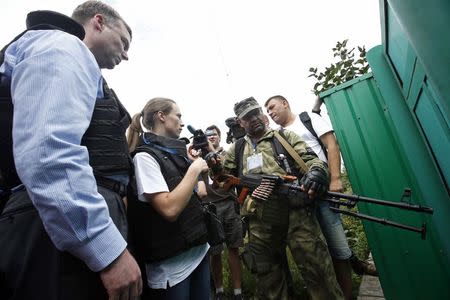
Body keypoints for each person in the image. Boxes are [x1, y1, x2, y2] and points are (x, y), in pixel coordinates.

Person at [0, 2, 142, 299]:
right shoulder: (62, 46)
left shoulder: (69, 59)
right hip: (56, 228)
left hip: (61, 220)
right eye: (124, 42)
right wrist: (106, 249)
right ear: (99, 22)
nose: (127, 55)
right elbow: (48, 154)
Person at [212, 97, 344, 300]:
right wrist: (212, 163)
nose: (254, 118)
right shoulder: (237, 149)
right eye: (248, 117)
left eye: (256, 113)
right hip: (259, 222)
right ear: (240, 122)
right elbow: (222, 180)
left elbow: (313, 160)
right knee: (268, 278)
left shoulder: (284, 137)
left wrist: (317, 174)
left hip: (297, 215)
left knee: (317, 270)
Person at [265, 95, 378, 299]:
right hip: (300, 197)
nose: (270, 113)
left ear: (285, 103)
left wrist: (335, 178)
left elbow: (331, 146)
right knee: (317, 248)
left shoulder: (307, 119)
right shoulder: (277, 136)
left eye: (272, 107)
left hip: (323, 191)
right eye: (267, 111)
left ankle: (346, 293)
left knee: (337, 246)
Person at [127, 98, 211, 299]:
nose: (182, 122)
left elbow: (201, 192)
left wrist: (202, 170)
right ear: (161, 116)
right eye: (178, 115)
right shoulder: (144, 158)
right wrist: (194, 169)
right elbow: (169, 209)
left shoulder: (176, 153)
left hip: (198, 251)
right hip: (172, 267)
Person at [204, 125, 243, 300]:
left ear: (219, 136)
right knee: (215, 252)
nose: (211, 137)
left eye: (213, 134)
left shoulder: (228, 153)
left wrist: (213, 152)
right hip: (210, 207)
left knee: (233, 248)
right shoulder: (199, 156)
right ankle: (219, 290)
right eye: (207, 135)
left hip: (228, 203)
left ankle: (238, 292)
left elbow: (227, 175)